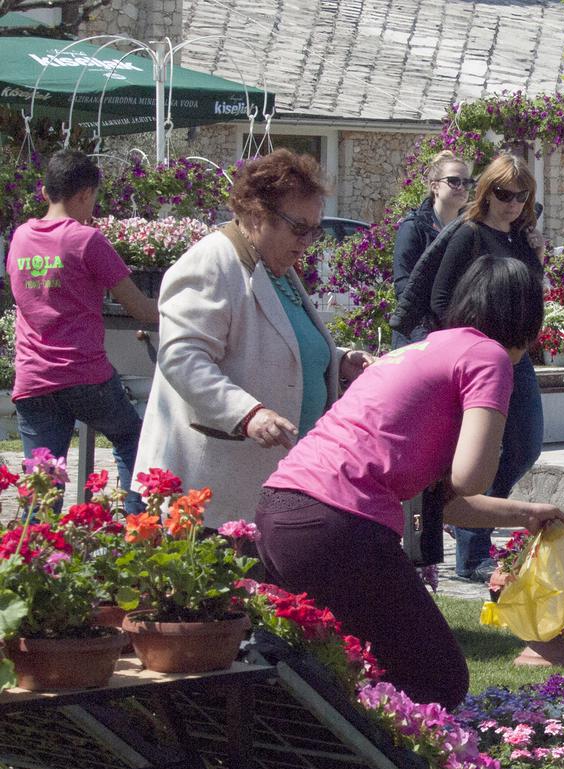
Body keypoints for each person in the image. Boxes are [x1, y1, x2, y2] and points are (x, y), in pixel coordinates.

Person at [255, 256, 564, 708]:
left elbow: (446, 503)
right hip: (340, 523)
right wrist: (494, 431)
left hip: (282, 511)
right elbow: (470, 476)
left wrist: (526, 514)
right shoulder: (489, 356)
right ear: (527, 319)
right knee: (435, 679)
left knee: (327, 669)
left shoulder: (418, 349)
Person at [133, 150, 374, 530]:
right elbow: (182, 358)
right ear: (257, 215)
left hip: (269, 486)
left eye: (315, 229)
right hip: (211, 491)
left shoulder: (274, 266)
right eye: (300, 228)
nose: (308, 241)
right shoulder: (211, 262)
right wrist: (247, 414)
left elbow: (281, 338)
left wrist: (337, 358)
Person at [412, 153, 548, 581]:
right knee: (481, 455)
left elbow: (530, 295)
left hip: (517, 357)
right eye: (504, 194)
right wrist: (470, 345)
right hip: (476, 361)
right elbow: (438, 300)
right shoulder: (468, 234)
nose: (512, 203)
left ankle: (469, 519)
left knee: (526, 446)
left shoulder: (523, 239)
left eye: (521, 196)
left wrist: (538, 258)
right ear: (487, 192)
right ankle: (473, 552)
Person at [4, 150, 158, 513]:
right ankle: (139, 533)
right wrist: (181, 312)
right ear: (85, 193)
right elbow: (138, 307)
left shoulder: (20, 238)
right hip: (83, 376)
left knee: (41, 488)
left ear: (45, 192)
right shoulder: (86, 240)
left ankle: (32, 563)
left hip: (33, 380)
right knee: (131, 440)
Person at [391, 150, 473, 347]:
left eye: (467, 182)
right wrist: (425, 338)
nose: (462, 187)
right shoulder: (413, 227)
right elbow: (404, 286)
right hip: (418, 334)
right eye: (454, 181)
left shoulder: (470, 230)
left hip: (455, 332)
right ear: (434, 186)